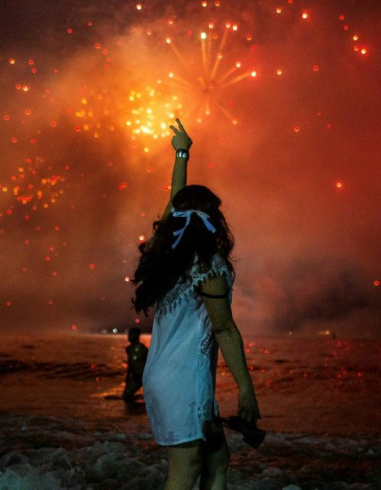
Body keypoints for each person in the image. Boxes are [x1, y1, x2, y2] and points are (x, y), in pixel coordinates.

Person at [132, 119, 260, 489]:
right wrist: (246, 389)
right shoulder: (208, 267)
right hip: (183, 382)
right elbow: (223, 328)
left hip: (163, 377)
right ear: (213, 221)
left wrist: (182, 152)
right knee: (185, 471)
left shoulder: (169, 262)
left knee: (217, 456)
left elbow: (176, 204)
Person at [122, 327, 149, 402]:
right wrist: (127, 378)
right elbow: (130, 364)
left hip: (143, 376)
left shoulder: (143, 349)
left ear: (136, 336)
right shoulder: (129, 349)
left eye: (130, 334)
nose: (129, 336)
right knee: (126, 397)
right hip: (135, 377)